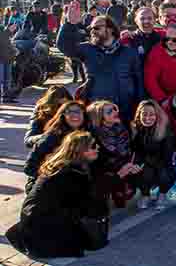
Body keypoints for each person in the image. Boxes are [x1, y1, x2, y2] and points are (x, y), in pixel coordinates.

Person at [6, 130, 107, 259]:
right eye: (93, 146)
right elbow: (87, 206)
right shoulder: (72, 174)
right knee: (92, 235)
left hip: (32, 221)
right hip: (44, 228)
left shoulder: (62, 165)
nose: (97, 147)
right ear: (79, 151)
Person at [58, 2, 143, 122]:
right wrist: (69, 24)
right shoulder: (87, 49)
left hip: (125, 110)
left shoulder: (129, 53)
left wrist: (139, 106)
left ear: (111, 29)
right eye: (91, 28)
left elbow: (139, 81)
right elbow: (63, 46)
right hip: (96, 112)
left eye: (97, 28)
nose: (93, 31)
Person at [24, 101, 89, 194]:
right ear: (63, 116)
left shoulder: (88, 135)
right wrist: (49, 179)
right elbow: (29, 167)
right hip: (47, 183)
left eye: (78, 111)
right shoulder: (52, 136)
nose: (74, 115)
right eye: (69, 112)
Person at [87, 101, 136, 209]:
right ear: (100, 117)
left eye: (114, 109)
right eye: (109, 112)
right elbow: (99, 161)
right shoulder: (94, 135)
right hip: (109, 168)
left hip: (127, 161)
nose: (114, 112)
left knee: (130, 191)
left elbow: (132, 146)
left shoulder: (122, 125)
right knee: (119, 200)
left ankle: (126, 190)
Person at [129, 100, 176, 210]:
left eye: (151, 115)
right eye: (144, 114)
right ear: (139, 115)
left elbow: (167, 155)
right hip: (146, 160)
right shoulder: (136, 129)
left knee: (165, 174)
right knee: (141, 171)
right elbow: (136, 151)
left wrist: (156, 165)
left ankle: (162, 194)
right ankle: (145, 195)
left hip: (162, 161)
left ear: (157, 116)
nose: (147, 118)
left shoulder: (164, 130)